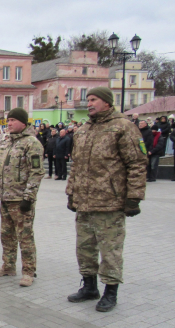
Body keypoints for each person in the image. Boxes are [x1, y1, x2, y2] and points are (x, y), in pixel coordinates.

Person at [66, 86, 147, 312]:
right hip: (85, 202)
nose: (89, 103)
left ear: (108, 102)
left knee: (110, 250)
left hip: (110, 202)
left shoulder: (123, 127)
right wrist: (71, 193)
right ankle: (89, 286)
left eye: (94, 99)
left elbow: (137, 164)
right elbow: (76, 166)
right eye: (88, 99)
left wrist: (134, 197)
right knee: (84, 247)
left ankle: (111, 292)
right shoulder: (83, 129)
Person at [0, 107, 44, 287]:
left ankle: (28, 271)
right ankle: (8, 266)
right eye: (8, 120)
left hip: (21, 200)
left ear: (23, 122)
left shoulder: (32, 143)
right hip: (5, 198)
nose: (9, 123)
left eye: (12, 120)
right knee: (6, 236)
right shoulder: (4, 143)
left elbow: (36, 173)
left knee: (25, 237)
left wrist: (29, 197)